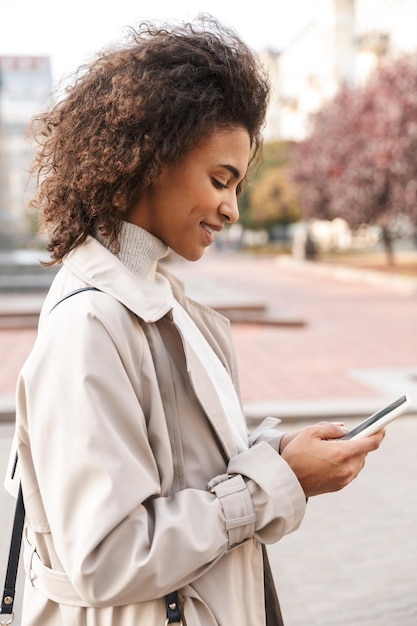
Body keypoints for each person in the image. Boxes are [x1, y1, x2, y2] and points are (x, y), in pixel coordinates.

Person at [6, 16, 384, 626]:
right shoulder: (91, 327)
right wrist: (275, 484)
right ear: (153, 158)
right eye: (220, 180)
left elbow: (178, 471)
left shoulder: (159, 301)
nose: (232, 209)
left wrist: (277, 453)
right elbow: (106, 556)